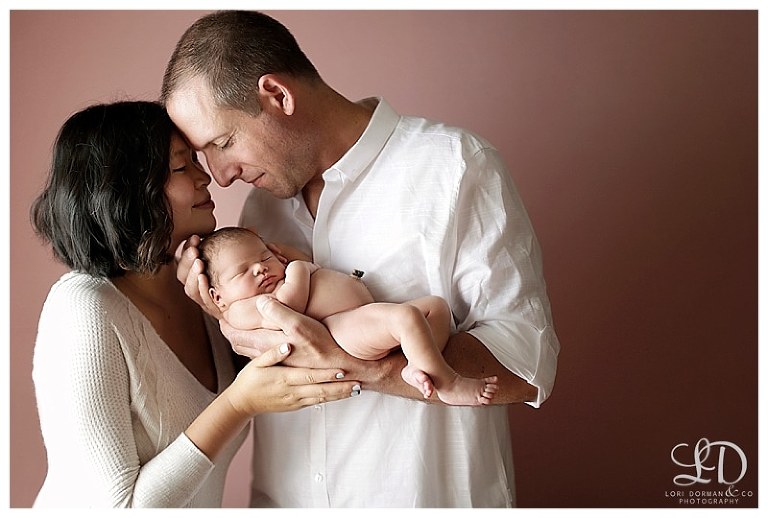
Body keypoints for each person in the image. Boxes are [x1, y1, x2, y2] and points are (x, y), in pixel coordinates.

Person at [162, 10, 560, 507]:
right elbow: (260, 370)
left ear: (278, 95)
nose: (220, 177)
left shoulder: (454, 167)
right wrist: (218, 310)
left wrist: (356, 362)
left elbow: (526, 364)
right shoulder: (260, 210)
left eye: (223, 143)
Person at [29, 101, 361, 508]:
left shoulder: (207, 297)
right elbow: (118, 509)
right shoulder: (83, 309)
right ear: (127, 187)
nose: (208, 178)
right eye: (183, 166)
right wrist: (238, 403)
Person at [200, 226, 499, 406]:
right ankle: (447, 383)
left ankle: (416, 364)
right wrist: (297, 269)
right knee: (406, 318)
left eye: (264, 257)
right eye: (242, 271)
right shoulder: (240, 309)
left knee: (436, 308)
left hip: (357, 314)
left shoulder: (279, 273)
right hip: (340, 329)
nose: (260, 269)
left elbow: (294, 264)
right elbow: (287, 306)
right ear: (217, 297)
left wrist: (285, 258)